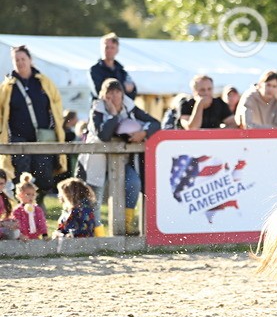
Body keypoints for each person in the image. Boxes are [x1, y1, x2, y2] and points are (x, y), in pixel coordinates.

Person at [81, 77, 160, 234]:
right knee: (94, 198)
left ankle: (127, 225)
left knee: (134, 183)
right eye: (110, 92)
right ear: (103, 95)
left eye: (118, 92)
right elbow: (103, 135)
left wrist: (143, 132)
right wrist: (113, 114)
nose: (115, 96)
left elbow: (155, 123)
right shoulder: (97, 109)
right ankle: (96, 235)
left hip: (120, 161)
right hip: (95, 161)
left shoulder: (129, 107)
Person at [0, 45, 66, 204]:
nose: (20, 62)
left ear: (30, 60)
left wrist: (55, 128)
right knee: (20, 173)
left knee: (44, 174)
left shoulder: (43, 82)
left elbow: (56, 104)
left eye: (23, 59)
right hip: (18, 137)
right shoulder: (8, 86)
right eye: (16, 60)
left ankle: (38, 202)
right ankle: (22, 207)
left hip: (42, 135)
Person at [89, 32, 137, 99]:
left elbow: (132, 91)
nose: (109, 50)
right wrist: (123, 87)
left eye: (112, 47)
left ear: (117, 50)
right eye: (106, 47)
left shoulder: (121, 71)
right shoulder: (95, 70)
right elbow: (100, 92)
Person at [12, 173, 47, 239]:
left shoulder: (37, 210)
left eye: (33, 194)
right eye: (28, 194)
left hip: (35, 238)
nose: (31, 197)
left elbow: (41, 222)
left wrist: (44, 234)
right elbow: (17, 224)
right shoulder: (17, 210)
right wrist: (21, 235)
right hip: (21, 239)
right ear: (20, 195)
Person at [0, 168, 18, 239]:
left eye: (1, 183)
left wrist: (11, 222)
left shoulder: (2, 197)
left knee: (15, 232)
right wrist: (3, 224)